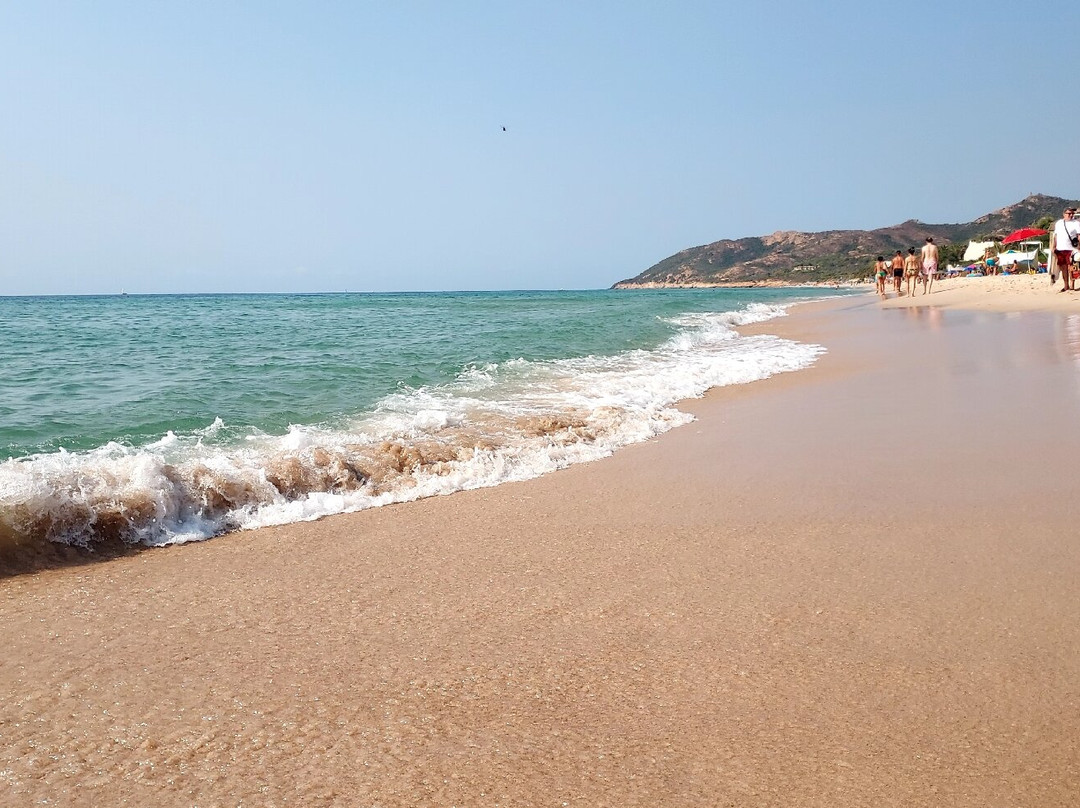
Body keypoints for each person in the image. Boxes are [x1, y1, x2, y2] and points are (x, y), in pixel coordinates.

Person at [1052, 207, 1080, 292]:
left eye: (1072, 213)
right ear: (1064, 214)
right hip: (1060, 248)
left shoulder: (1076, 223)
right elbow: (1056, 235)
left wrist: (1079, 246)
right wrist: (1054, 246)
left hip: (1071, 249)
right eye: (1069, 213)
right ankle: (1066, 285)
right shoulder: (1059, 223)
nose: (1071, 215)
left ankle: (1072, 284)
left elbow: (1079, 235)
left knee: (1072, 267)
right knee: (1063, 267)